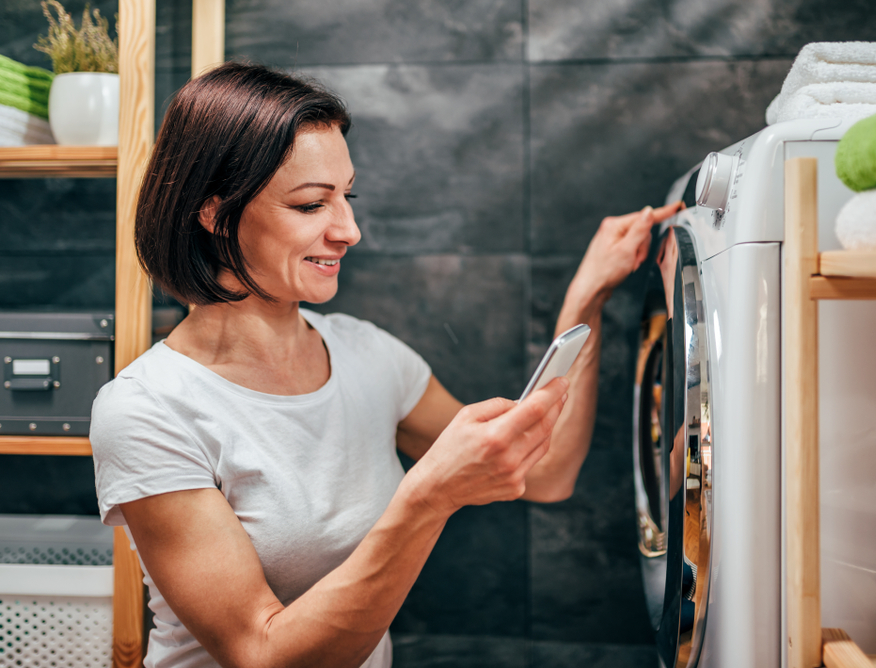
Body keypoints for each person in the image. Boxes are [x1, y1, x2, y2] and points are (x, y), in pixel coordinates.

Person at [90, 62, 682, 668]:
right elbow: (260, 653)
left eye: (347, 196)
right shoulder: (145, 411)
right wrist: (427, 498)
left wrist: (587, 297)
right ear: (213, 213)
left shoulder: (367, 354)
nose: (350, 229)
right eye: (311, 204)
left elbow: (547, 472)